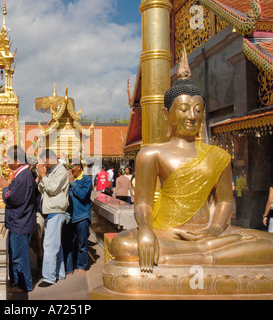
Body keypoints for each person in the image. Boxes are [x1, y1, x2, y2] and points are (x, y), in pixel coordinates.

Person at [110, 49, 273, 273]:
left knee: (270, 245)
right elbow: (143, 203)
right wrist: (146, 229)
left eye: (198, 110)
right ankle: (205, 255)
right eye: (184, 109)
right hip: (167, 232)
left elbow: (225, 202)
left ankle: (199, 252)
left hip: (208, 234)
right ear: (167, 115)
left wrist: (213, 230)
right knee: (123, 245)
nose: (192, 116)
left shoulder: (218, 156)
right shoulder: (151, 154)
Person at [0, 145, 37, 293]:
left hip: (20, 222)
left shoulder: (22, 177)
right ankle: (17, 283)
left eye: (9, 159)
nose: (7, 162)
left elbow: (12, 199)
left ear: (17, 160)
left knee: (20, 256)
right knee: (15, 254)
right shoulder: (23, 175)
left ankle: (24, 285)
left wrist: (5, 188)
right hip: (19, 221)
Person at [36, 149, 69, 286]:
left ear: (50, 159)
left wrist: (43, 176)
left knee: (49, 245)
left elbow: (52, 188)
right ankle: (59, 273)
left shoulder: (61, 171)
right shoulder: (51, 172)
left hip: (56, 210)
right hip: (50, 210)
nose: (44, 164)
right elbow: (41, 189)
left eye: (44, 161)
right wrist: (42, 177)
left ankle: (49, 277)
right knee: (56, 244)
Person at [63, 159, 93, 275]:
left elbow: (82, 195)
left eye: (72, 168)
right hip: (69, 216)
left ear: (79, 167)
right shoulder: (68, 180)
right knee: (68, 243)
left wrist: (72, 183)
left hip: (82, 216)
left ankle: (81, 265)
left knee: (82, 243)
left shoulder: (86, 180)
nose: (70, 170)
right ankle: (69, 267)